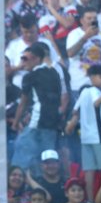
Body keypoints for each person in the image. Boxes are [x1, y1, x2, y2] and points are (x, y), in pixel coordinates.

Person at [11, 44, 61, 173]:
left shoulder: (30, 76)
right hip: (52, 124)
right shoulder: (54, 72)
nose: (23, 63)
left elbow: (23, 102)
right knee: (46, 160)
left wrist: (16, 122)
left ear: (37, 59)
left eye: (26, 59)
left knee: (22, 157)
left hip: (37, 123)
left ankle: (19, 185)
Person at [65, 65, 101, 202]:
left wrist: (71, 124)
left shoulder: (83, 92)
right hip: (99, 135)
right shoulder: (95, 90)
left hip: (85, 137)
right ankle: (100, 201)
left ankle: (90, 201)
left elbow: (75, 111)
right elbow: (96, 104)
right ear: (94, 77)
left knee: (89, 171)